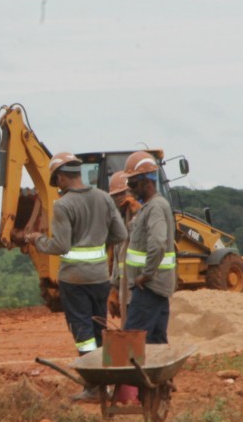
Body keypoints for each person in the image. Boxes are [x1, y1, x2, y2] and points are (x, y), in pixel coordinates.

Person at [26, 152, 128, 402]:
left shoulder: (63, 205)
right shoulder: (104, 198)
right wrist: (98, 243)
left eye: (56, 180)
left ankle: (92, 386)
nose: (57, 185)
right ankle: (106, 381)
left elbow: (59, 245)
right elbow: (121, 233)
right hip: (100, 278)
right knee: (99, 327)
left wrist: (36, 240)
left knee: (83, 332)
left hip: (74, 280)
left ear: (61, 177)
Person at [119, 151, 177, 344]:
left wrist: (146, 274)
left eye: (133, 184)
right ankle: (160, 375)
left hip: (149, 287)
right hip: (156, 287)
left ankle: (130, 375)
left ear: (147, 182)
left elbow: (158, 243)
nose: (130, 189)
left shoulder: (155, 207)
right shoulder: (151, 207)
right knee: (155, 341)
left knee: (131, 341)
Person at [107, 170, 141, 320]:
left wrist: (137, 215)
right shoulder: (119, 222)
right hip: (125, 292)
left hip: (139, 290)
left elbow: (141, 239)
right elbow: (117, 259)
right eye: (115, 196)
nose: (118, 199)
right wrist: (114, 287)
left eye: (121, 194)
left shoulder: (142, 216)